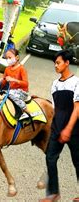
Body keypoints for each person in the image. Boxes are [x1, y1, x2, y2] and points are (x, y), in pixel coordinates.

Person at [41, 50, 79, 202]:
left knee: (78, 161)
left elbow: (77, 108)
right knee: (50, 158)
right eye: (55, 63)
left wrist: (68, 129)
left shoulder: (76, 82)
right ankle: (53, 193)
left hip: (74, 128)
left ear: (67, 63)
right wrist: (51, 128)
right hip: (57, 128)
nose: (56, 66)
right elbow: (55, 109)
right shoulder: (55, 84)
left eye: (58, 63)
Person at [0, 48, 31, 118]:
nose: (8, 60)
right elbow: (3, 83)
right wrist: (2, 80)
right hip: (11, 91)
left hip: (22, 92)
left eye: (10, 57)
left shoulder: (21, 69)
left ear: (17, 57)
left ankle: (26, 111)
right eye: (6, 58)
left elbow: (26, 84)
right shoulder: (7, 69)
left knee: (10, 93)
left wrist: (14, 80)